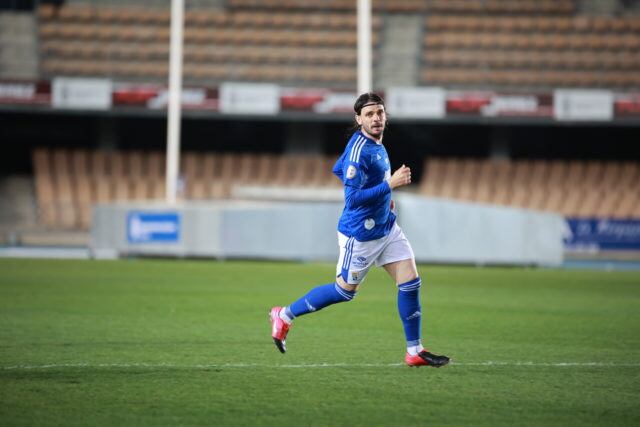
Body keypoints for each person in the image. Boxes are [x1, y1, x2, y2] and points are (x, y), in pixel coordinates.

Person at [269, 92, 450, 368]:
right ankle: (284, 315)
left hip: (386, 228)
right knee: (344, 292)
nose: (376, 118)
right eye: (369, 114)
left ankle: (414, 350)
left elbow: (338, 168)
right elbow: (352, 198)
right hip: (360, 234)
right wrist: (389, 185)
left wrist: (382, 198)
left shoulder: (375, 143)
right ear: (358, 119)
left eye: (379, 112)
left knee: (410, 282)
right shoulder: (360, 150)